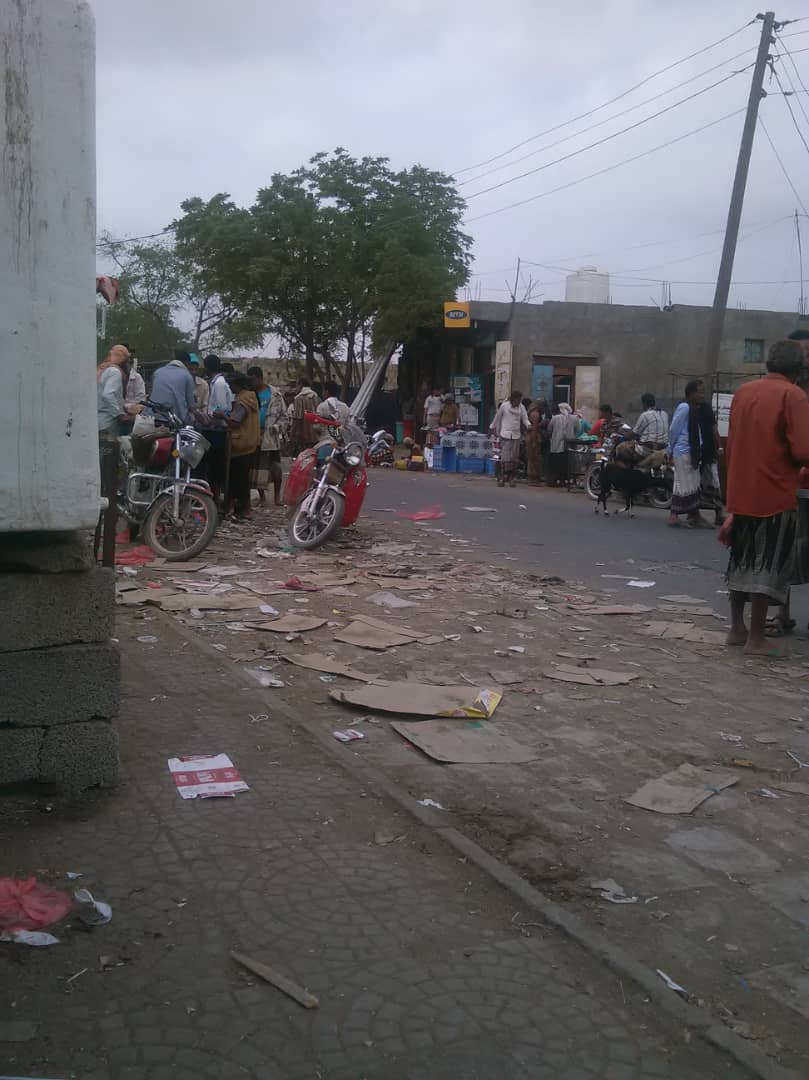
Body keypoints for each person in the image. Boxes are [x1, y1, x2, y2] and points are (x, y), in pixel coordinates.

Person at [725, 339, 809, 655]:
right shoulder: (793, 395)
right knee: (767, 564)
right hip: (774, 490)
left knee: (741, 560)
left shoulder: (744, 392)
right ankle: (756, 637)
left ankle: (737, 628)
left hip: (741, 489)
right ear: (798, 368)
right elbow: (803, 450)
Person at [667, 380, 710, 528]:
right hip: (683, 451)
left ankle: (694, 515)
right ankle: (674, 516)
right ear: (691, 393)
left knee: (693, 484)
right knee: (682, 484)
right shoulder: (684, 408)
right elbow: (673, 430)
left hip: (692, 451)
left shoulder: (693, 408)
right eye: (700, 392)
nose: (702, 395)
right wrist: (670, 450)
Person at [224, 373, 260, 520]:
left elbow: (235, 422)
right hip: (249, 442)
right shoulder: (251, 397)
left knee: (237, 480)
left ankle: (238, 510)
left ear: (236, 385)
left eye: (231, 385)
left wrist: (222, 416)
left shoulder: (242, 401)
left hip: (239, 443)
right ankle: (244, 509)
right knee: (244, 479)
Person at [247, 366, 285, 506]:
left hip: (271, 436)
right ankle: (262, 497)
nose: (251, 382)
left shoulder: (275, 394)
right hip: (255, 435)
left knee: (276, 469)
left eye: (253, 379)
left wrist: (276, 428)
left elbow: (284, 417)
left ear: (259, 378)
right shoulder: (250, 394)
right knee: (258, 469)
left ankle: (277, 497)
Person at [696, 386, 724, 527]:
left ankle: (718, 513)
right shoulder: (689, 408)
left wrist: (719, 446)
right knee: (699, 483)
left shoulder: (705, 408)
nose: (701, 395)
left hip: (708, 452)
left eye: (702, 392)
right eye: (699, 392)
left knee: (713, 483)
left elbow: (714, 429)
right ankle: (695, 513)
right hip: (697, 452)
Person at [490, 390, 529, 488]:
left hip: (516, 435)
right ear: (513, 399)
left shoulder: (521, 407)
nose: (518, 402)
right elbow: (497, 418)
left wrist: (529, 425)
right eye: (517, 400)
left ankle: (512, 478)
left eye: (520, 400)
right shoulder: (504, 406)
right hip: (505, 434)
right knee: (505, 457)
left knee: (514, 458)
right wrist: (492, 427)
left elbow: (525, 418)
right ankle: (503, 477)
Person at [151, 350, 196, 423]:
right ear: (187, 363)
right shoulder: (187, 376)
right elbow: (191, 406)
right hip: (174, 420)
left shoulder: (157, 372)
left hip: (152, 417)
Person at [97, 344, 132, 437]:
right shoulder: (115, 372)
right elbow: (107, 395)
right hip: (108, 422)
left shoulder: (101, 369)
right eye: (127, 360)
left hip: (98, 420)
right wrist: (119, 414)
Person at [547, 402, 577, 487]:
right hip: (569, 445)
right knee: (565, 463)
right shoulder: (574, 418)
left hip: (556, 446)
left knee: (555, 463)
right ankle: (563, 480)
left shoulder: (555, 418)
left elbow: (549, 429)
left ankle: (553, 480)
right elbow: (578, 429)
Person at [290, 378, 321, 454]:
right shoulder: (317, 397)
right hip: (317, 435)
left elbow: (298, 418)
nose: (296, 388)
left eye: (297, 385)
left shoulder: (299, 398)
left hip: (304, 436)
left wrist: (293, 433)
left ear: (300, 385)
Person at [525, 400, 546, 484]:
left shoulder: (530, 413)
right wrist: (534, 441)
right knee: (534, 458)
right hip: (533, 437)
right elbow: (534, 428)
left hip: (529, 436)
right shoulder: (536, 414)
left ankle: (533, 476)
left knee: (532, 458)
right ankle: (533, 477)